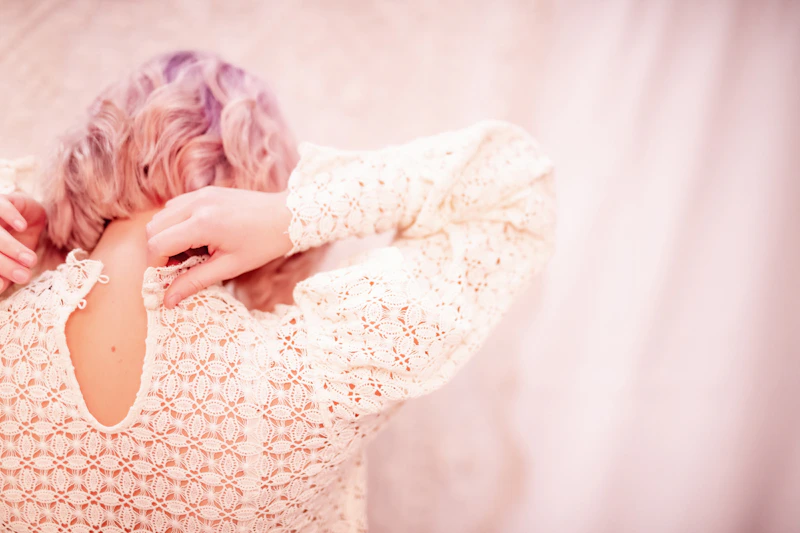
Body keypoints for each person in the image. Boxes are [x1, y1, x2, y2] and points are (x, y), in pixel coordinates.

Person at [0, 51, 555, 532]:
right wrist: (293, 216)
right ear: (256, 186)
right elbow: (512, 185)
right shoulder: (315, 366)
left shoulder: (9, 332)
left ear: (96, 148)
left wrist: (38, 235)